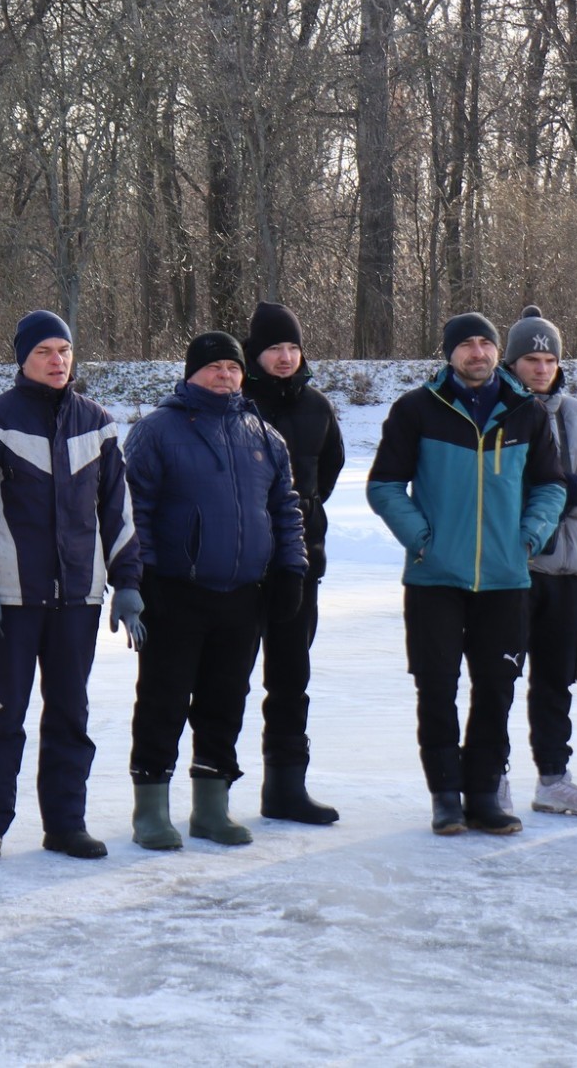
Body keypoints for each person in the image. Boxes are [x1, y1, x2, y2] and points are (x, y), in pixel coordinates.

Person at [0, 310, 140, 862]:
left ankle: (65, 823)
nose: (58, 361)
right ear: (23, 360)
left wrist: (127, 584)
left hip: (79, 598)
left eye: (64, 351)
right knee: (2, 712)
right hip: (10, 600)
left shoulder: (97, 424)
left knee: (70, 714)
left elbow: (119, 512)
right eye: (45, 353)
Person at [368, 312, 566, 836]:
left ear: (497, 351)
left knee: (497, 689)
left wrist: (528, 536)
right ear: (449, 353)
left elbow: (552, 486)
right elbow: (385, 484)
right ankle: (445, 796)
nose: (477, 353)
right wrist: (422, 539)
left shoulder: (526, 412)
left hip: (505, 579)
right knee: (436, 687)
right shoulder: (416, 410)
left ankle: (483, 795)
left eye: (485, 343)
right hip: (435, 580)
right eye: (466, 345)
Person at [123, 331, 306, 851]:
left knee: (226, 702)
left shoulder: (263, 436)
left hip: (243, 594)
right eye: (213, 368)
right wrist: (146, 577)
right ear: (191, 374)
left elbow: (285, 510)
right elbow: (136, 512)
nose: (225, 376)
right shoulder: (157, 431)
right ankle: (151, 810)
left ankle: (211, 808)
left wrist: (291, 570)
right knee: (163, 699)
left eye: (232, 367)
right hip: (177, 591)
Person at [502, 307, 577, 818]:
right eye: (532, 358)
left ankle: (553, 777)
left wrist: (572, 493)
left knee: (556, 678)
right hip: (514, 566)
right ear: (513, 361)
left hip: (571, 566)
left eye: (550, 358)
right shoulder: (496, 409)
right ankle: (492, 775)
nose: (542, 367)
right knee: (498, 676)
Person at [239, 302, 345, 825]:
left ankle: (285, 787)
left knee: (289, 678)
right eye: (274, 348)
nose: (284, 357)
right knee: (224, 680)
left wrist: (304, 518)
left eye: (292, 347)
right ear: (254, 354)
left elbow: (328, 472)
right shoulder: (233, 402)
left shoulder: (318, 409)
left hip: (299, 565)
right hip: (236, 567)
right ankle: (210, 788)